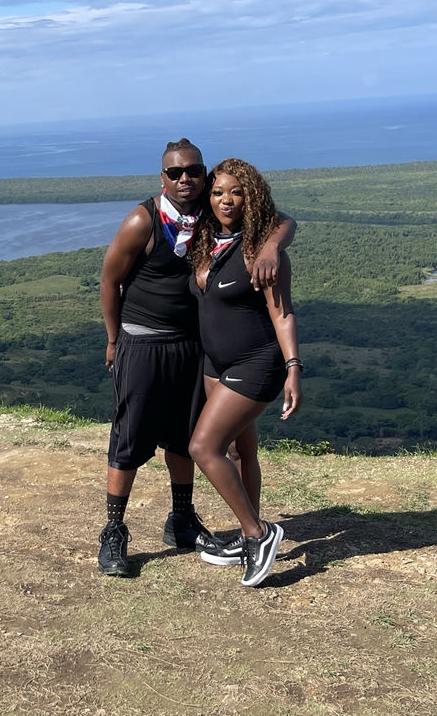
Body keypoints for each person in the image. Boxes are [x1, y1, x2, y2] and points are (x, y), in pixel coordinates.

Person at [97, 139, 296, 577]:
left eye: (193, 171)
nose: (185, 178)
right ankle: (114, 532)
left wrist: (271, 248)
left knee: (184, 434)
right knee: (130, 436)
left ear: (204, 175)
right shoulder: (144, 220)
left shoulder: (209, 211)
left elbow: (283, 220)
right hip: (144, 341)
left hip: (193, 345)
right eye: (175, 173)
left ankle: (183, 519)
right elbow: (109, 281)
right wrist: (114, 340)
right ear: (162, 178)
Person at [185, 158, 302, 587]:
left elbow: (282, 314)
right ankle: (246, 532)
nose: (226, 200)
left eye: (237, 192)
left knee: (203, 447)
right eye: (218, 192)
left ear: (252, 198)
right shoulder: (206, 240)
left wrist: (293, 367)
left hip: (256, 362)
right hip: (215, 363)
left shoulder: (261, 251)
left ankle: (259, 533)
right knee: (239, 451)